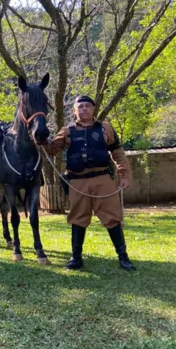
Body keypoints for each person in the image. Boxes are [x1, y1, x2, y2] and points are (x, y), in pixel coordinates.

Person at [39, 95, 135, 270]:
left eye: (87, 106)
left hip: (103, 179)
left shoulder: (105, 129)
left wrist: (125, 175)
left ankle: (123, 257)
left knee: (112, 217)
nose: (84, 109)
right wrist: (40, 137)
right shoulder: (67, 131)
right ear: (74, 110)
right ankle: (76, 258)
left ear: (93, 108)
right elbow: (52, 150)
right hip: (78, 182)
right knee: (78, 218)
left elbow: (117, 152)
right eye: (80, 107)